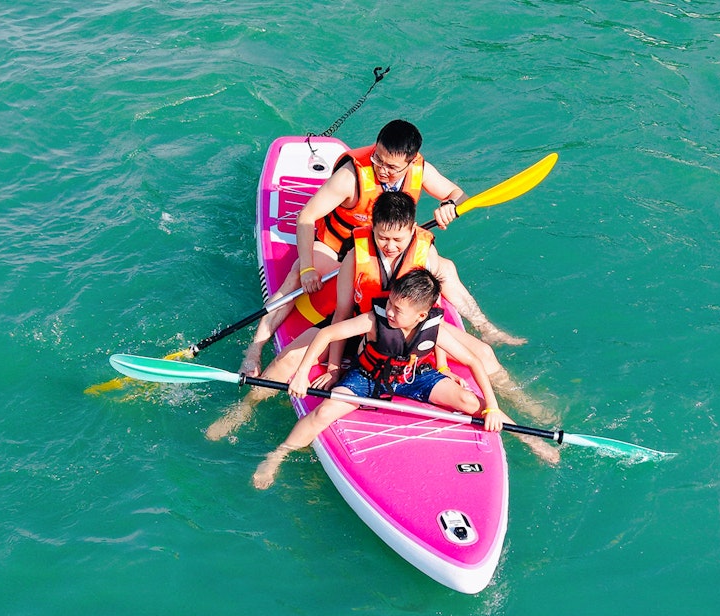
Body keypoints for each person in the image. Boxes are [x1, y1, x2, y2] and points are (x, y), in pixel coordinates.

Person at [207, 192, 560, 467]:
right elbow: (342, 312)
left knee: (482, 355)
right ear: (373, 228)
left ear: (412, 231)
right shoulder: (356, 254)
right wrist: (333, 368)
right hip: (364, 324)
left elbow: (434, 308)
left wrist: (440, 367)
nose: (389, 245)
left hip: (411, 325)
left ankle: (526, 427)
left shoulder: (425, 250)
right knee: (286, 361)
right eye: (382, 237)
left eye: (397, 239)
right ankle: (242, 411)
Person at [238, 119, 524, 377]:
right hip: (337, 248)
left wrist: (449, 207)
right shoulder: (351, 176)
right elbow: (306, 217)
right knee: (298, 272)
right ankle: (254, 349)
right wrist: (311, 266)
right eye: (379, 159)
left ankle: (486, 328)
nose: (382, 169)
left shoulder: (421, 170)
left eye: (391, 166)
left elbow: (457, 195)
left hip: (385, 246)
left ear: (410, 163)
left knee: (445, 268)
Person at [252, 270, 508, 489]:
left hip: (412, 377)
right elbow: (327, 334)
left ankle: (528, 438)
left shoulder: (433, 328)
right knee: (323, 413)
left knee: (470, 401)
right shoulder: (375, 320)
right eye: (391, 304)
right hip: (368, 378)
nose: (390, 311)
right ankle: (277, 456)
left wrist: (493, 407)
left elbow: (474, 361)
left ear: (421, 316)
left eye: (398, 309)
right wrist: (301, 375)